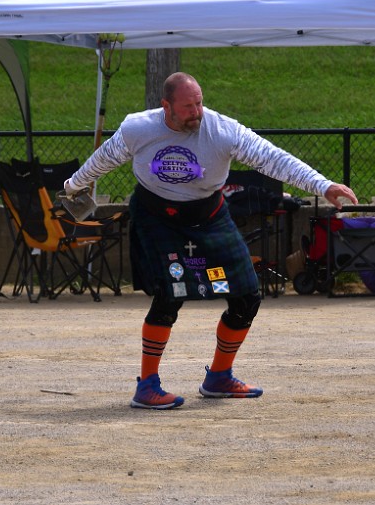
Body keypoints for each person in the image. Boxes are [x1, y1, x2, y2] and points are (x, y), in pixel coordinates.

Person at [63, 72, 358, 409]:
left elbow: (273, 158)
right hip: (156, 215)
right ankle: (147, 385)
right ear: (166, 107)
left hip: (208, 215)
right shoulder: (138, 128)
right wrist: (74, 186)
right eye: (188, 106)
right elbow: (105, 158)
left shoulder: (222, 130)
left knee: (247, 294)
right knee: (169, 294)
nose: (197, 112)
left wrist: (322, 185)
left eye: (199, 103)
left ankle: (219, 376)